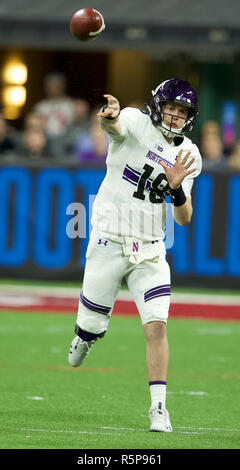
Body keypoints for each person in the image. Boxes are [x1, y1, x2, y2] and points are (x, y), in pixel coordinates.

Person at [68, 79, 202, 433]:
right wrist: (108, 117)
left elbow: (184, 218)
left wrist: (175, 189)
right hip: (109, 238)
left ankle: (159, 409)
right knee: (93, 325)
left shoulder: (189, 153)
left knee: (156, 326)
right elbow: (114, 125)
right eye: (171, 107)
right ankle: (85, 335)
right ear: (158, 106)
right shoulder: (135, 121)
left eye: (182, 111)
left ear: (189, 117)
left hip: (150, 249)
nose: (175, 115)